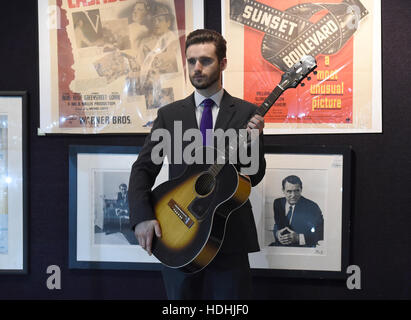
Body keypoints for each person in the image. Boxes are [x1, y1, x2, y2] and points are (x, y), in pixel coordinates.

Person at [128, 29, 266, 299]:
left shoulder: (248, 113)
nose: (197, 68)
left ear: (223, 63)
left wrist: (254, 143)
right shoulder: (169, 115)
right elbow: (143, 169)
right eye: (191, 61)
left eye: (206, 60)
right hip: (177, 235)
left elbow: (254, 175)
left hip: (228, 237)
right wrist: (142, 217)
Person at [272, 175, 324, 247]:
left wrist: (298, 238)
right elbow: (277, 225)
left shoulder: (312, 207)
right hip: (280, 246)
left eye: (296, 191)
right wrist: (277, 234)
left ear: (301, 189)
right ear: (283, 190)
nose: (293, 195)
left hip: (302, 248)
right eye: (289, 191)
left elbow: (320, 233)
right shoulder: (278, 203)